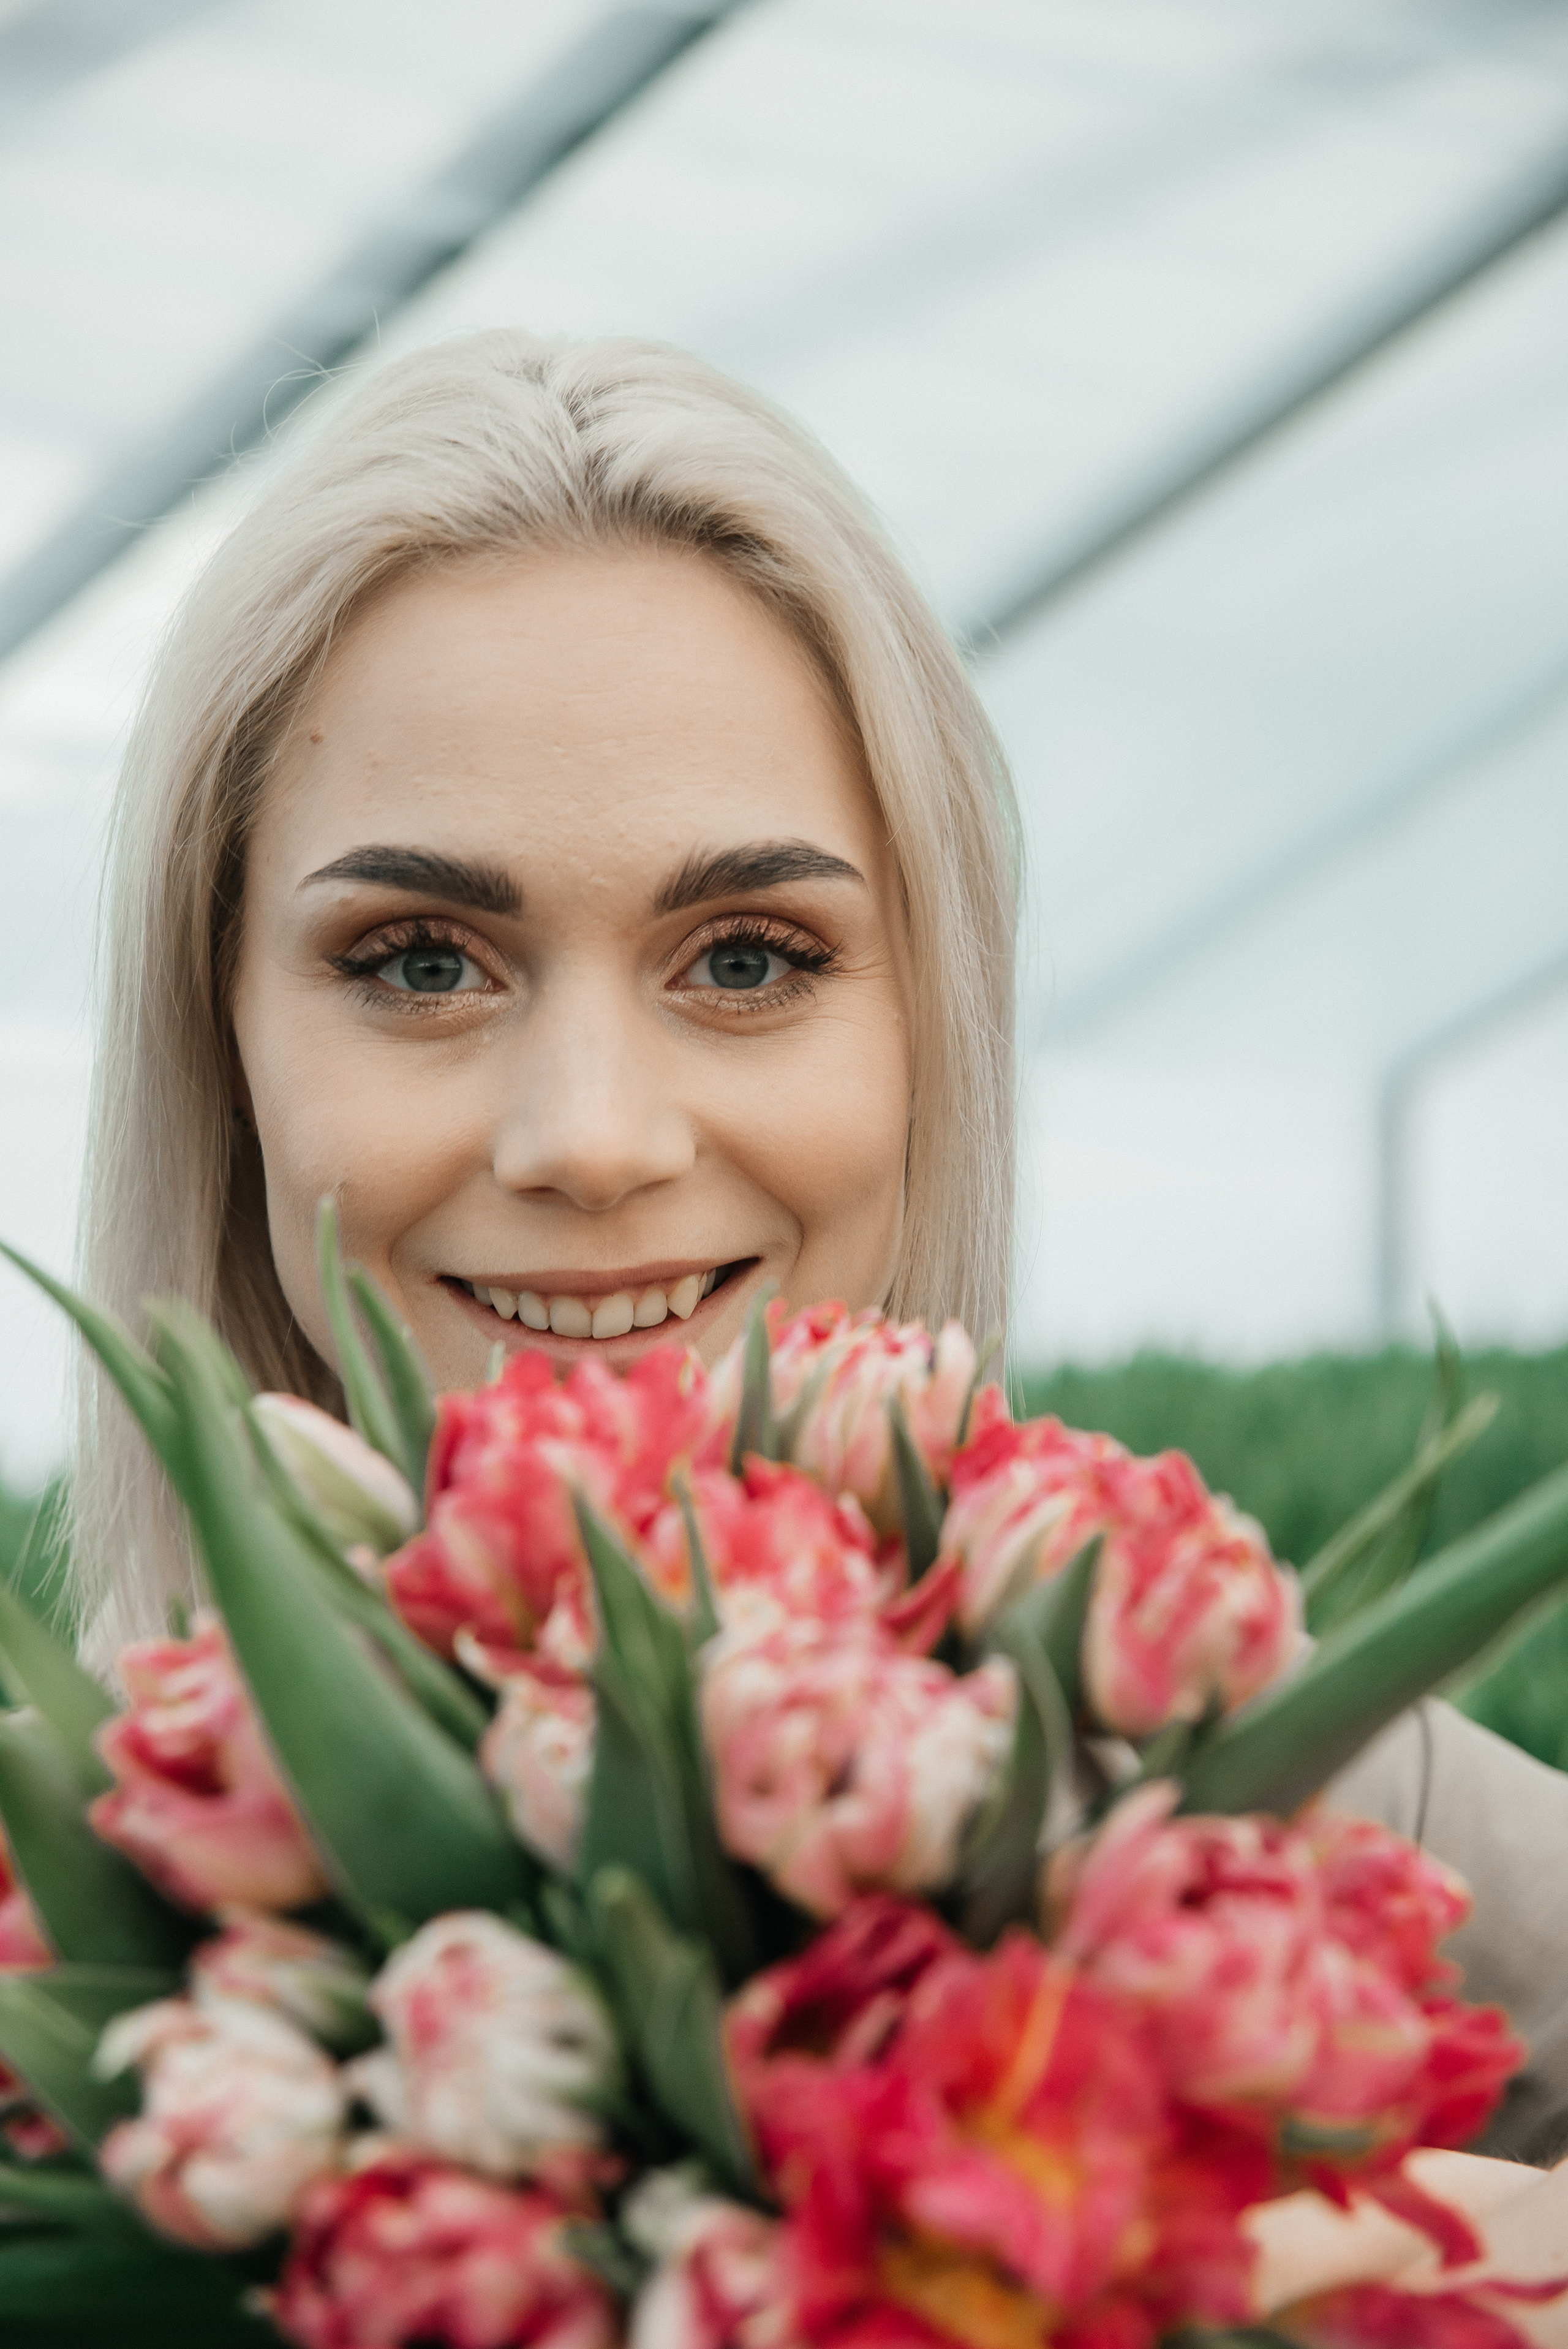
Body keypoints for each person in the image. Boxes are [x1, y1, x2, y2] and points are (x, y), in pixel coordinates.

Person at [72, 328, 1568, 2277]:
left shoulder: (1275, 1810)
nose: (591, 1140)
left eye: (754, 956)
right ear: (225, 1047)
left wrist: (1424, 2271)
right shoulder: (79, 1961)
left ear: (928, 1034)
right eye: (422, 958)